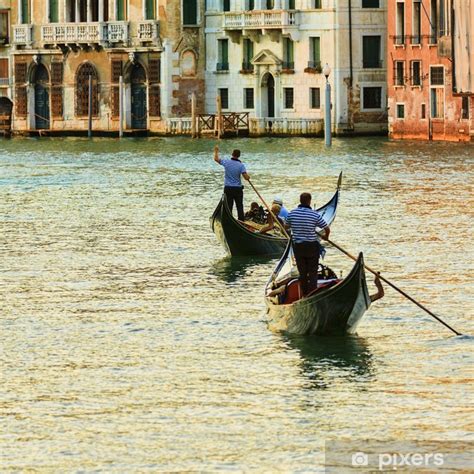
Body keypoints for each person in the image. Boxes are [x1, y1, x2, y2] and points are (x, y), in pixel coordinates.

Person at [286, 192, 330, 296]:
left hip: (299, 247)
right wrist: (326, 237)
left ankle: (305, 294)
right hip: (311, 247)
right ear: (309, 201)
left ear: (300, 201)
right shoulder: (314, 214)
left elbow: (286, 227)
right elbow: (327, 228)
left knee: (303, 273)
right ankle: (313, 294)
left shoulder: (292, 213)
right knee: (313, 272)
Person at [214, 145, 250, 221]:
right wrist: (248, 177)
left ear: (232, 154)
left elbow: (216, 159)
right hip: (237, 189)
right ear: (239, 156)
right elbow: (246, 178)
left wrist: (216, 151)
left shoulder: (226, 162)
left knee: (229, 206)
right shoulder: (241, 165)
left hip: (228, 188)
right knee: (239, 206)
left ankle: (228, 220)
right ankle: (241, 220)